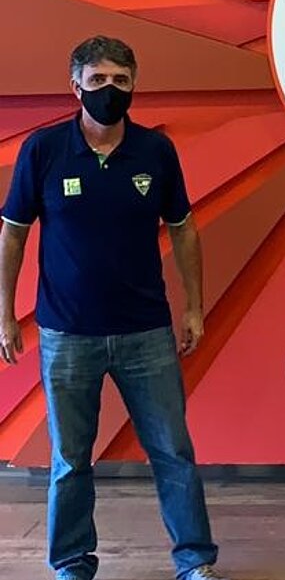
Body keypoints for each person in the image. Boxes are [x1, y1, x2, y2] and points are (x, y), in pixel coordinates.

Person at [0, 36, 226, 580]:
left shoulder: (155, 150)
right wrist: (5, 315)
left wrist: (194, 308)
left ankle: (195, 561)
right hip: (66, 333)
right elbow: (12, 234)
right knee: (70, 459)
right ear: (75, 85)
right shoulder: (44, 150)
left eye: (120, 80)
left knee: (173, 451)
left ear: (134, 85)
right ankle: (72, 563)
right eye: (98, 80)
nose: (109, 90)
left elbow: (184, 229)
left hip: (145, 331)